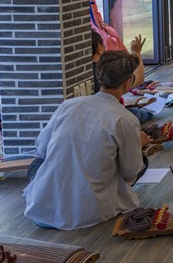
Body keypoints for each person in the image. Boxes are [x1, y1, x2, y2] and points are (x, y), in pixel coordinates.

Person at [24, 50, 153, 230]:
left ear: (99, 78)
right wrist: (137, 147)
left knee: (38, 163)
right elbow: (131, 172)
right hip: (88, 211)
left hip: (43, 209)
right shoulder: (126, 119)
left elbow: (42, 149)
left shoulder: (68, 105)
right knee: (141, 162)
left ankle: (51, 196)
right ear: (127, 83)